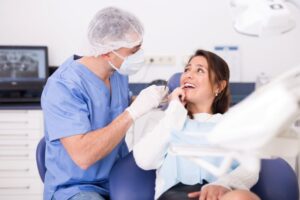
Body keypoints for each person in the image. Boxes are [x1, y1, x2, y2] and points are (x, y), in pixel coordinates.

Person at [41, 7, 168, 200]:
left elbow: (113, 105)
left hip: (117, 178)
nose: (139, 54)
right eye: (133, 51)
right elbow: (84, 156)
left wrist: (157, 99)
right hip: (76, 188)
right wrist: (133, 112)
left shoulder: (116, 72)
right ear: (107, 52)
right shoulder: (64, 87)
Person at [133, 49, 260, 200]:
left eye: (200, 70)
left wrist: (223, 184)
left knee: (242, 197)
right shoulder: (166, 121)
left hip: (218, 196)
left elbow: (251, 168)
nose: (188, 75)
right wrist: (174, 110)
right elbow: (144, 160)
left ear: (218, 86)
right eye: (187, 69)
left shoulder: (233, 124)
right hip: (175, 196)